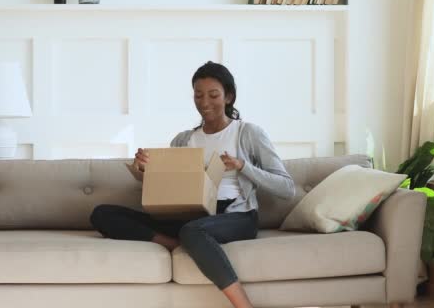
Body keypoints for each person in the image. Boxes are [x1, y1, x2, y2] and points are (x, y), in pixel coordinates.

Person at [89, 61, 295, 308]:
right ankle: (177, 244)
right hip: (189, 215)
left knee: (194, 231)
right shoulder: (184, 139)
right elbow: (167, 187)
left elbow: (287, 188)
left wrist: (243, 166)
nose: (205, 102)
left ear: (228, 96)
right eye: (198, 95)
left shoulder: (248, 133)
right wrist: (143, 170)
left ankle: (244, 306)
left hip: (235, 216)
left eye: (213, 95)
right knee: (102, 214)